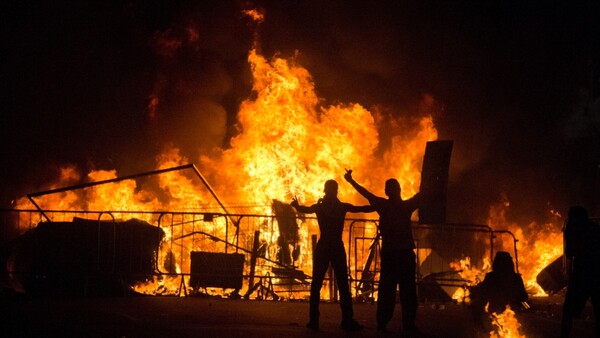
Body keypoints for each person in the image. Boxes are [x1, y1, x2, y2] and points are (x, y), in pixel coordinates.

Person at [291, 179, 374, 331]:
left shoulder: (320, 207)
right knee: (342, 284)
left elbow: (305, 210)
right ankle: (347, 320)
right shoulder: (341, 207)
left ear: (325, 190)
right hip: (336, 246)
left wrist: (296, 206)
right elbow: (360, 208)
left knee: (317, 284)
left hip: (324, 246)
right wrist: (377, 206)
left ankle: (314, 320)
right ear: (335, 191)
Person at [343, 169, 420, 332]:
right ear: (399, 190)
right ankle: (408, 324)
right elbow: (422, 197)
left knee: (387, 290)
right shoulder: (406, 206)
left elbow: (366, 193)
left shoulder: (384, 206)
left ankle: (383, 323)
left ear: (387, 191)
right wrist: (434, 179)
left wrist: (351, 181)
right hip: (404, 254)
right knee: (407, 292)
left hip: (392, 254)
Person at [561, 206, 600, 338]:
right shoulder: (595, 228)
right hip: (597, 273)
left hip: (581, 274)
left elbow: (569, 253)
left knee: (568, 310)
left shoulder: (572, 229)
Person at [470, 251, 528, 329]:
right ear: (510, 263)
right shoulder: (516, 278)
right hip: (513, 317)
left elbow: (482, 298)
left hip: (494, 315)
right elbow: (524, 297)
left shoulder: (490, 277)